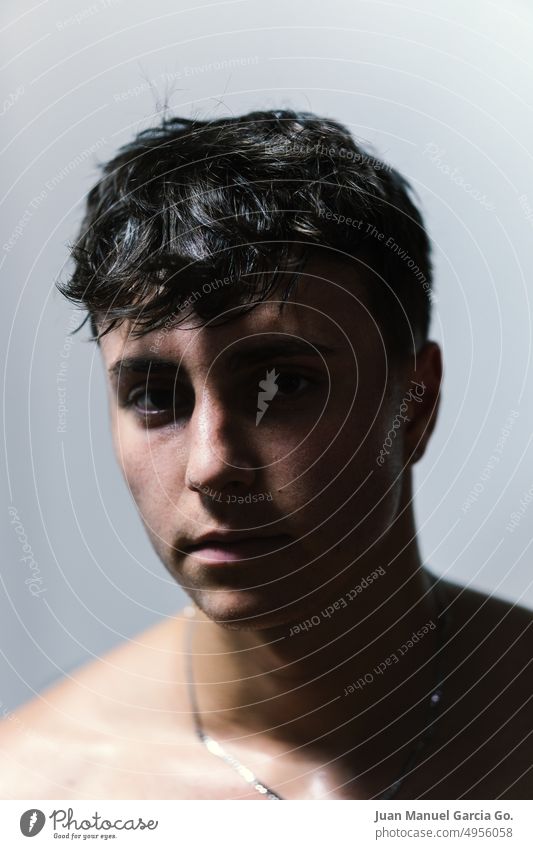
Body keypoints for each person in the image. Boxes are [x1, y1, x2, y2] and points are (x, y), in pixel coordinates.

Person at [1, 110, 532, 800]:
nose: (211, 465)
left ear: (415, 402)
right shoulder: (41, 792)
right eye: (155, 396)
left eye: (281, 384)